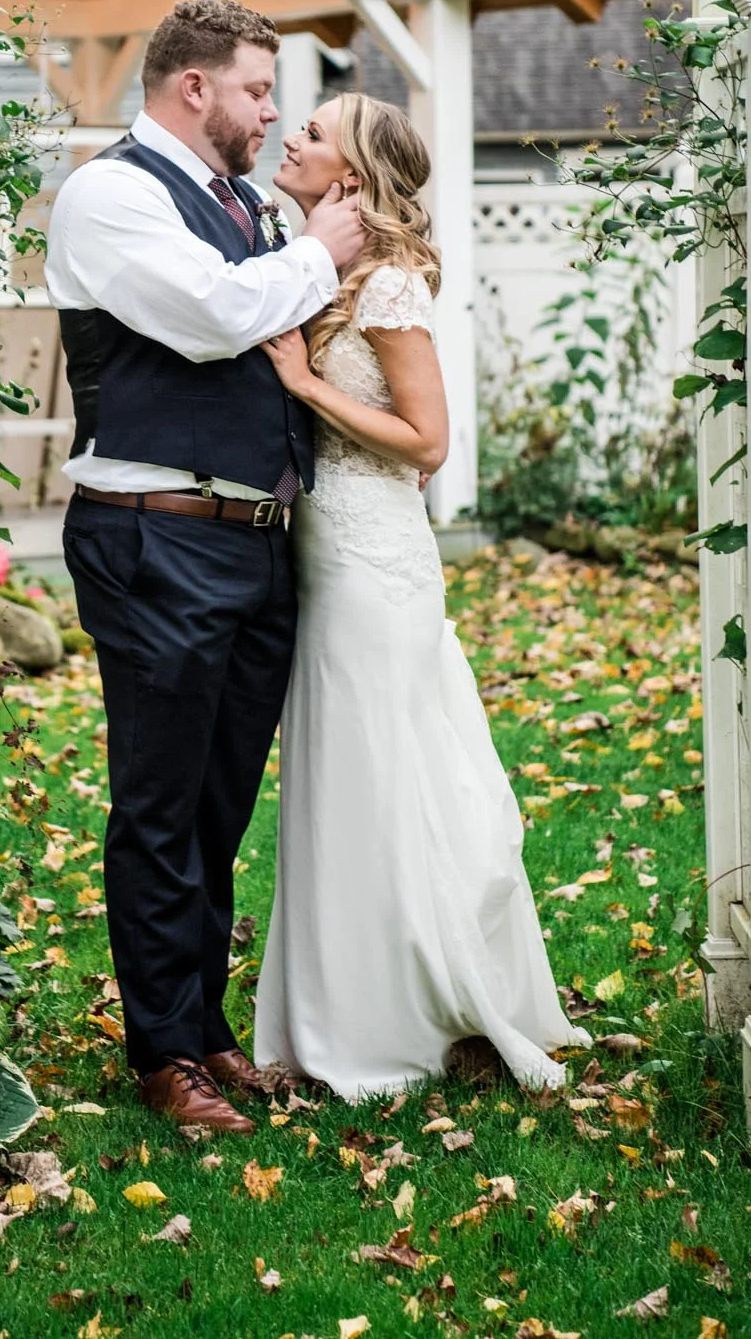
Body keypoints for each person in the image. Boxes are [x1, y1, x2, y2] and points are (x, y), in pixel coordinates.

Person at [46, 0, 365, 1134]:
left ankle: (206, 1026)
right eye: (256, 90)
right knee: (159, 801)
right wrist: (321, 254)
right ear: (194, 88)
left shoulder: (246, 203)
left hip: (253, 540)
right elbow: (215, 317)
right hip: (156, 538)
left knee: (219, 803)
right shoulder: (110, 195)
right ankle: (162, 1053)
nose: (271, 113)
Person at [252, 91, 591, 1097]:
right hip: (326, 552)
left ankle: (396, 1014)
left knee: (381, 769)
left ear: (351, 175)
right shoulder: (321, 267)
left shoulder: (390, 281)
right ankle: (347, 1003)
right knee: (340, 773)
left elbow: (427, 442)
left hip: (374, 560)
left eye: (313, 132)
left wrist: (306, 385)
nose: (291, 135)